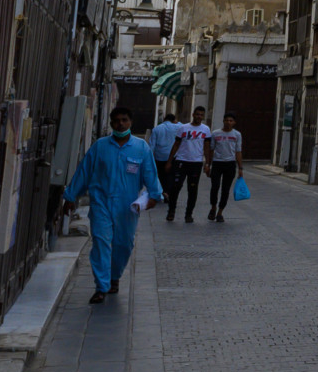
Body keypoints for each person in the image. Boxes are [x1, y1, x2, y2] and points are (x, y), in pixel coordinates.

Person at [62, 108, 163, 304]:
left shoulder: (141, 148)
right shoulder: (100, 147)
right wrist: (70, 196)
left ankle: (114, 276)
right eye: (116, 121)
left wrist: (155, 195)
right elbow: (84, 172)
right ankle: (101, 286)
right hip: (101, 203)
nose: (120, 124)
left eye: (124, 120)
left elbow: (150, 173)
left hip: (127, 207)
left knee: (123, 244)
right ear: (111, 123)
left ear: (130, 122)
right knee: (100, 241)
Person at [168, 106, 211, 224]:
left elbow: (207, 147)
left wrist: (207, 163)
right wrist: (170, 161)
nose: (199, 117)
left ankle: (188, 214)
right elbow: (176, 144)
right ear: (193, 114)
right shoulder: (183, 128)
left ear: (203, 116)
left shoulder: (206, 129)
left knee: (192, 189)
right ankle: (171, 211)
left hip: (196, 163)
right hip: (181, 161)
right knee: (175, 188)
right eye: (197, 114)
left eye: (201, 115)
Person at [206, 113, 243, 222]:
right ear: (223, 121)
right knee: (215, 187)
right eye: (226, 120)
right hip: (217, 163)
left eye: (231, 120)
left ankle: (220, 212)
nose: (228, 122)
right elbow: (211, 149)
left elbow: (238, 151)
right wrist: (208, 165)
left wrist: (240, 168)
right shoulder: (215, 133)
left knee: (225, 189)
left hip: (230, 164)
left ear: (234, 122)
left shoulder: (237, 134)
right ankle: (213, 207)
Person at [150, 111, 185, 211]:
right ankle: (169, 193)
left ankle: (164, 191)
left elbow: (152, 145)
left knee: (162, 175)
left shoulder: (157, 129)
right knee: (172, 176)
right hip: (174, 156)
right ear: (174, 120)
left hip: (160, 156)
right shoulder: (179, 127)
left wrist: (150, 159)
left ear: (165, 119)